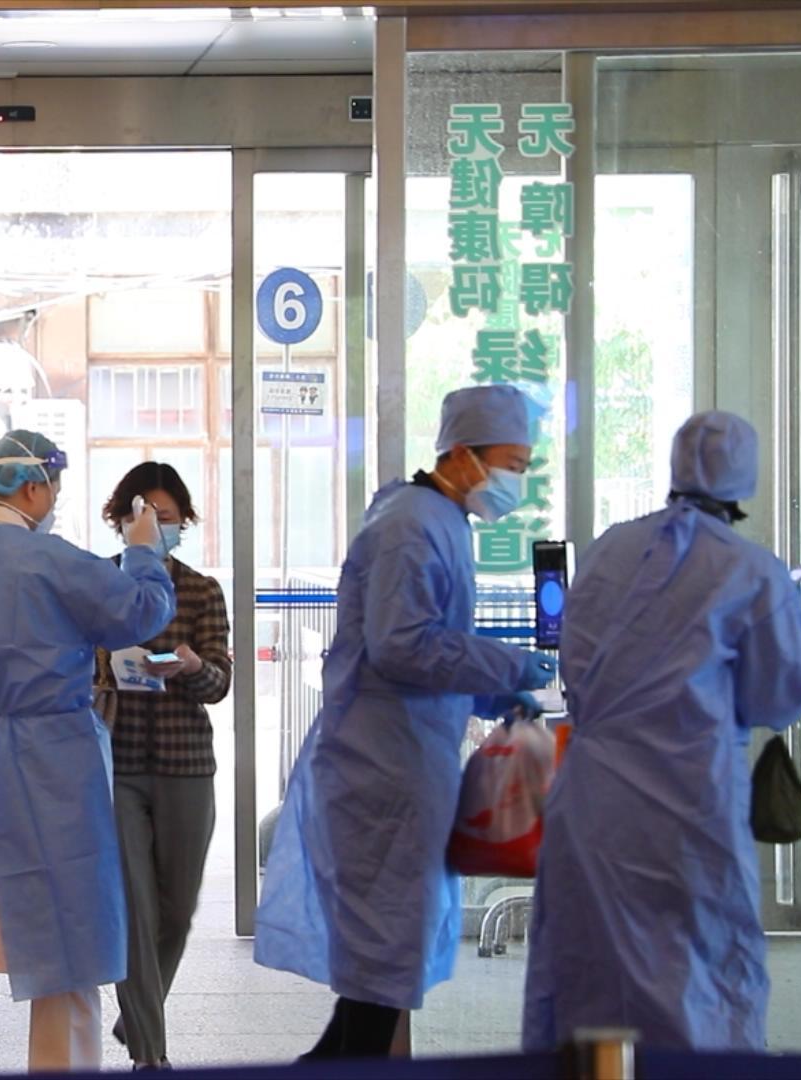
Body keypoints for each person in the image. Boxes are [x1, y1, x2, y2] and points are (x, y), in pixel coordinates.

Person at [254, 384, 560, 1058]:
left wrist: (493, 693)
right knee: (384, 959)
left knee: (383, 963)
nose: (517, 480)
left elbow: (428, 646)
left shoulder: (437, 519)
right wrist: (506, 666)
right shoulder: (410, 525)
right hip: (381, 770)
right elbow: (402, 645)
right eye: (513, 464)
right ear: (463, 452)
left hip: (402, 759)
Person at [522, 411, 801, 1052]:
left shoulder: (609, 550)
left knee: (591, 973)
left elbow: (574, 661)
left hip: (593, 800)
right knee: (699, 976)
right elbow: (782, 694)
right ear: (745, 479)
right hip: (690, 803)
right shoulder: (751, 570)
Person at [0, 430, 175, 1073]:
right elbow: (140, 613)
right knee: (65, 939)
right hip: (52, 766)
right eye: (52, 486)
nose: (53, 499)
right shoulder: (52, 561)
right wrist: (142, 551)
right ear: (31, 487)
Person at [92, 462, 231, 1071]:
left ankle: (137, 1015)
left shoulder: (201, 591)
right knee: (135, 911)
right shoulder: (98, 584)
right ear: (121, 522)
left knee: (176, 912)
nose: (154, 528)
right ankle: (151, 1056)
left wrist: (192, 667)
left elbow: (219, 683)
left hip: (185, 761)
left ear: (183, 522)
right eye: (142, 516)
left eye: (166, 518)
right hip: (117, 763)